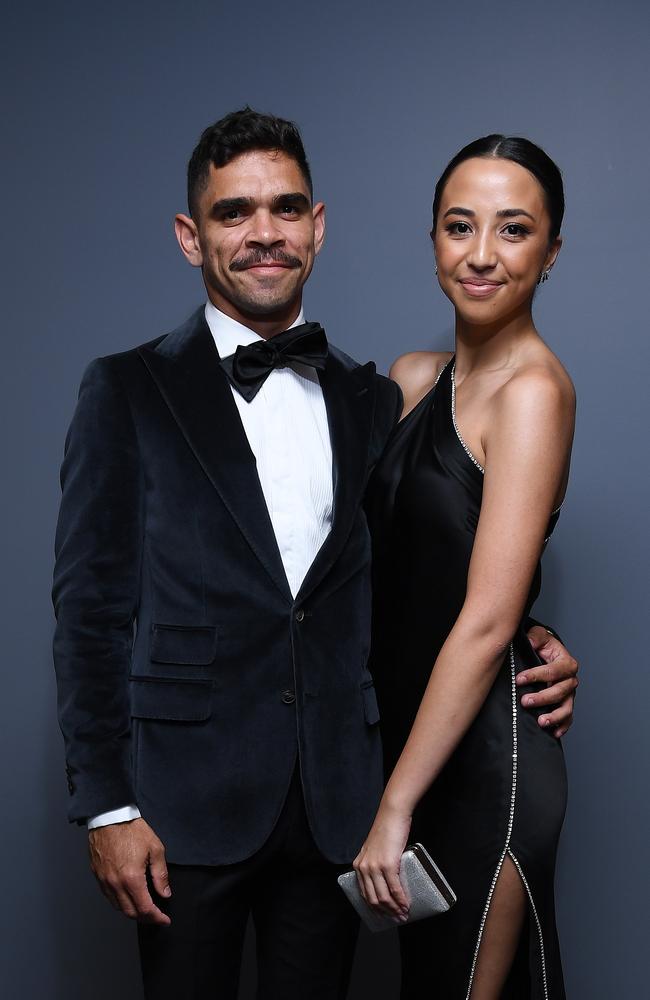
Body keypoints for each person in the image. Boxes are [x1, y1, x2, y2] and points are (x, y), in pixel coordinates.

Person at [52, 111, 578, 999]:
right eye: (234, 213)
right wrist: (108, 805)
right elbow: (90, 615)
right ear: (191, 236)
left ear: (318, 225)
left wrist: (524, 632)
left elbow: (438, 561)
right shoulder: (132, 389)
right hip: (187, 810)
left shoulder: (363, 394)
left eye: (286, 209)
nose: (265, 233)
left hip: (343, 801)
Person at [356, 135, 574, 999]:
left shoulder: (534, 392)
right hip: (411, 745)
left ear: (551, 253)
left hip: (486, 765)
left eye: (514, 230)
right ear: (434, 239)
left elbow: (486, 619)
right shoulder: (411, 378)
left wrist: (394, 806)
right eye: (460, 226)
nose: (481, 254)